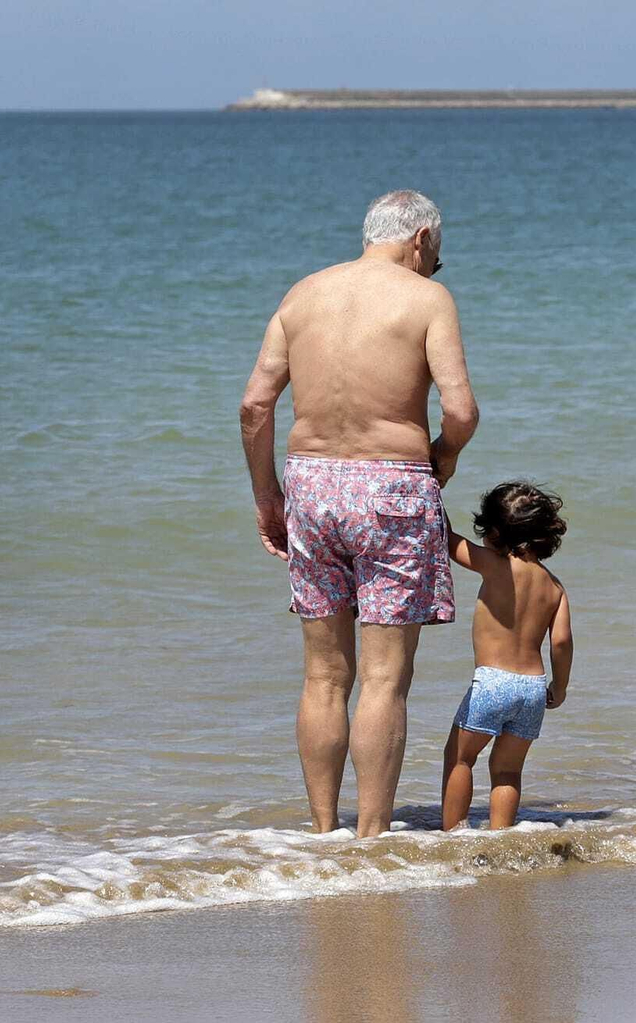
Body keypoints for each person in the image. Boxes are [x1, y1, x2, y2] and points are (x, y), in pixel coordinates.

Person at [239, 190, 478, 837]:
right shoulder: (427, 299)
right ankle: (371, 840)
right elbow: (461, 411)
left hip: (311, 486)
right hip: (393, 487)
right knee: (383, 678)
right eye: (436, 255)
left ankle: (324, 832)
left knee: (323, 675)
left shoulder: (303, 294)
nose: (435, 267)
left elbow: (255, 405)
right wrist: (443, 458)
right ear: (421, 239)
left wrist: (267, 497)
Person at [440, 482, 573, 830]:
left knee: (460, 758)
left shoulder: (495, 565)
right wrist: (559, 687)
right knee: (507, 771)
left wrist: (431, 493)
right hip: (533, 688)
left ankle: (453, 835)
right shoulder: (554, 587)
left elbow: (448, 541)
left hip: (493, 682)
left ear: (496, 532)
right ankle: (502, 837)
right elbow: (561, 642)